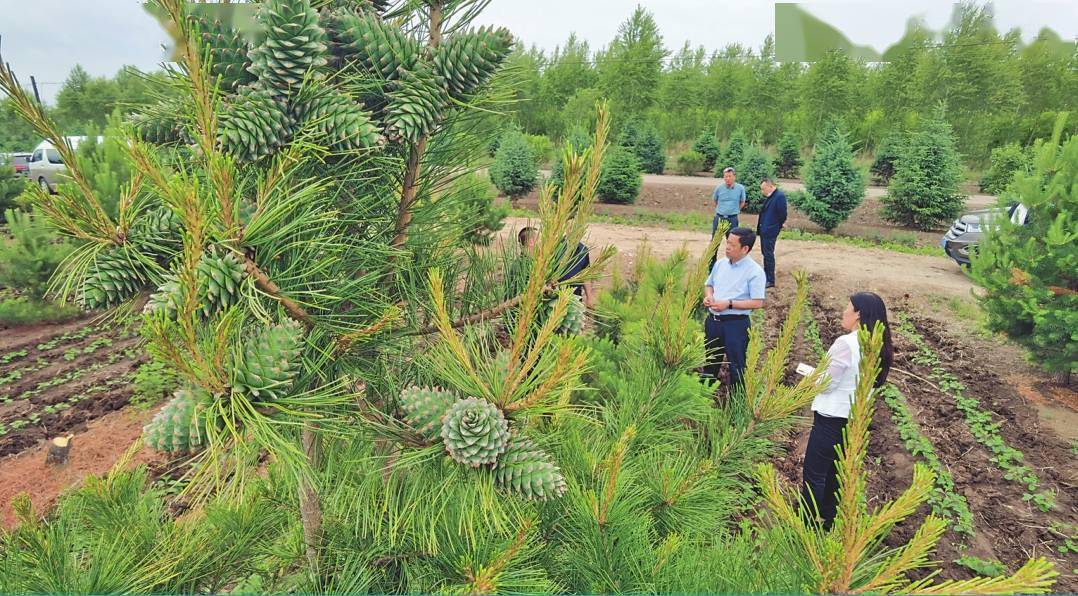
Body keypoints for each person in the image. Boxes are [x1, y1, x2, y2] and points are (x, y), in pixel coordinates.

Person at [800, 292, 894, 530]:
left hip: (830, 419)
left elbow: (828, 383)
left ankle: (805, 524)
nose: (844, 311)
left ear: (858, 314)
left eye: (848, 308)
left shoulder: (847, 343)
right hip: (854, 419)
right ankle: (829, 522)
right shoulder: (879, 344)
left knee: (814, 474)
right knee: (835, 473)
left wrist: (810, 375)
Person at [702, 227, 766, 391]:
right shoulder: (721, 264)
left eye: (732, 244)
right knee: (710, 362)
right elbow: (709, 284)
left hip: (735, 325)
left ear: (745, 249)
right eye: (727, 243)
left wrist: (729, 304)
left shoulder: (755, 272)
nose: (727, 247)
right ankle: (701, 398)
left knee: (736, 366)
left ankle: (737, 405)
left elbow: (757, 302)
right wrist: (709, 296)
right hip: (713, 322)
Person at [517, 226, 594, 308]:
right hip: (551, 302)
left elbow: (586, 274)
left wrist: (589, 297)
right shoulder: (555, 246)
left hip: (574, 300)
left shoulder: (583, 250)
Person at [756, 177, 788, 289]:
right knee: (765, 254)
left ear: (770, 186)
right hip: (765, 229)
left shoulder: (779, 196)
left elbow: (782, 215)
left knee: (769, 255)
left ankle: (770, 280)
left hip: (770, 230)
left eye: (763, 189)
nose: (762, 192)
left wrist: (776, 226)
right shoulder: (771, 196)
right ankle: (766, 276)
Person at [711, 166, 746, 237]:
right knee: (715, 240)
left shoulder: (740, 188)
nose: (727, 178)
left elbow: (742, 202)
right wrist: (721, 210)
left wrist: (736, 210)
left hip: (732, 219)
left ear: (734, 177)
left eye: (729, 176)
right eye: (726, 176)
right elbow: (714, 200)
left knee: (732, 240)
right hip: (720, 218)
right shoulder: (719, 188)